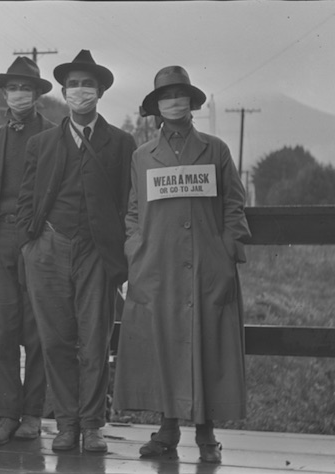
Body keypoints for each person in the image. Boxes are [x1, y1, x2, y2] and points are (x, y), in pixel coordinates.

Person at [113, 66, 250, 464]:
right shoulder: (142, 156)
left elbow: (234, 206)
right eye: (166, 96)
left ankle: (207, 435)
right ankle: (168, 430)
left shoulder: (216, 150)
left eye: (181, 94)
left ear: (192, 102)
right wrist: (136, 251)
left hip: (208, 267)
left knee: (206, 344)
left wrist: (226, 253)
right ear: (156, 106)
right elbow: (134, 211)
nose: (174, 102)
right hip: (158, 268)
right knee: (164, 345)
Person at [16, 50, 136, 452]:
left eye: (88, 84)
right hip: (48, 248)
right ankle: (66, 424)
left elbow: (128, 202)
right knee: (55, 340)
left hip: (96, 253)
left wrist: (119, 256)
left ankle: (93, 424)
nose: (80, 91)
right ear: (64, 92)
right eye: (73, 85)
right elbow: (26, 199)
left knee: (95, 338)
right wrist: (31, 247)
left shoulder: (121, 143)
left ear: (100, 91)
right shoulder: (42, 143)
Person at [0, 56, 55, 445]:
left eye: (26, 88)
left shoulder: (55, 135)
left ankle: (33, 414)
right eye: (13, 88)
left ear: (37, 94)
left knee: (38, 331)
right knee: (1, 331)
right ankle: (7, 414)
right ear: (4, 94)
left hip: (39, 240)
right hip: (1, 240)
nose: (19, 94)